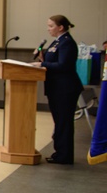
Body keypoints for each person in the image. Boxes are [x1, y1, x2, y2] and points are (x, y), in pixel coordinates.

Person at [34, 14, 84, 165]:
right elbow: (52, 61)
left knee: (64, 122)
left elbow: (63, 66)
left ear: (60, 27)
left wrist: (42, 65)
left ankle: (64, 156)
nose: (48, 29)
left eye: (51, 26)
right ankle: (60, 153)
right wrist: (42, 58)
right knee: (59, 121)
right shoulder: (57, 42)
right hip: (56, 88)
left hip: (65, 88)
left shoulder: (67, 42)